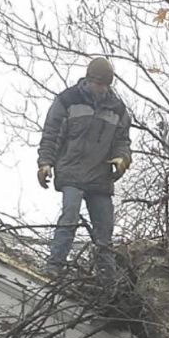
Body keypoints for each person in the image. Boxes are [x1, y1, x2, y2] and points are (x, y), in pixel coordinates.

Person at [37, 57, 133, 278]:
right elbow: (51, 135)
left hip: (100, 177)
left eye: (105, 85)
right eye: (97, 83)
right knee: (69, 216)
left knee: (104, 229)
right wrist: (45, 163)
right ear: (88, 80)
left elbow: (123, 141)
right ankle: (55, 265)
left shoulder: (118, 109)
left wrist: (122, 159)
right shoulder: (67, 100)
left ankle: (108, 280)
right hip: (71, 171)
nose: (100, 89)